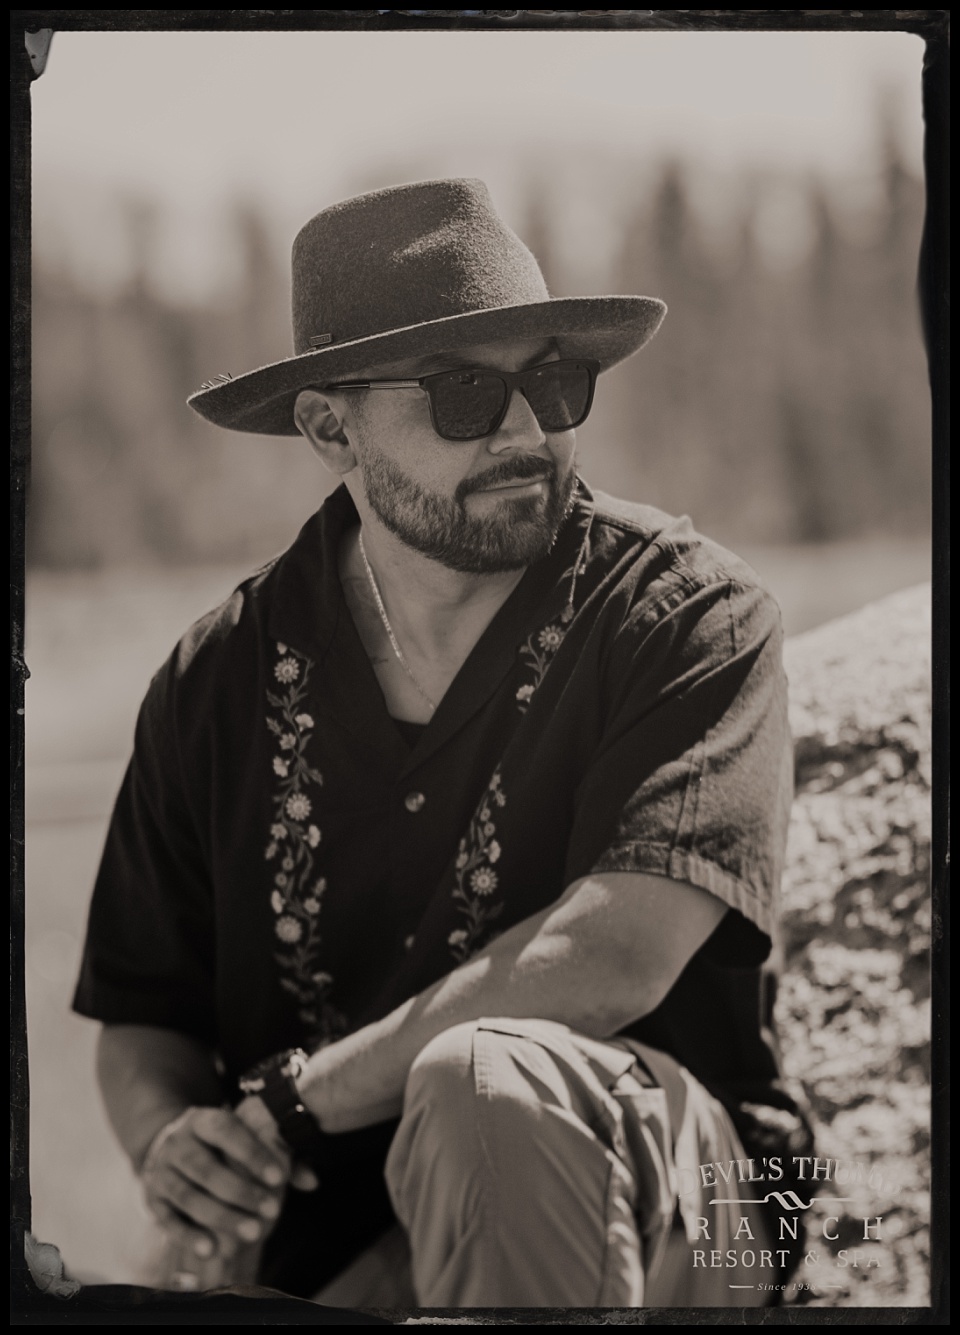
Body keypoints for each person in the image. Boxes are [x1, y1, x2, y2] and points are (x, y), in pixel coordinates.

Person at [72, 177, 812, 1309]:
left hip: (699, 1217)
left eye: (553, 383)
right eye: (463, 393)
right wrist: (177, 1143)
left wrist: (294, 1103)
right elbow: (143, 1013)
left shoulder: (688, 615)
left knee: (486, 1083)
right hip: (345, 1243)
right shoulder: (215, 678)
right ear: (331, 428)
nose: (524, 430)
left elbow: (613, 957)